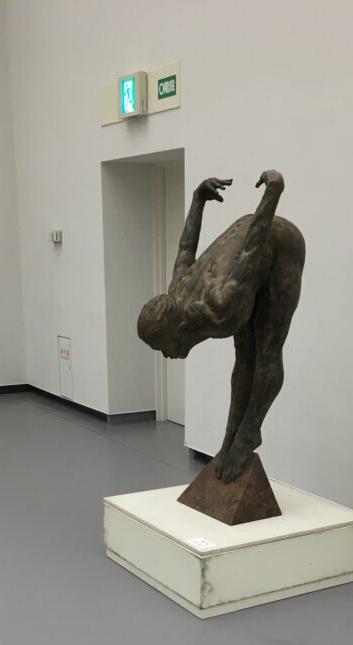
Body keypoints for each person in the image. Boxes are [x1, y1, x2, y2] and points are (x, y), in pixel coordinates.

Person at [137, 170, 305, 484]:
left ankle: (248, 432)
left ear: (180, 327)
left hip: (279, 244)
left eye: (163, 347)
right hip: (246, 251)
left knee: (267, 350)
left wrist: (273, 193)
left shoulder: (221, 305)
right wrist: (197, 200)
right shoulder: (178, 290)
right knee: (244, 355)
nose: (166, 355)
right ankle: (231, 435)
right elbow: (185, 248)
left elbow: (253, 248)